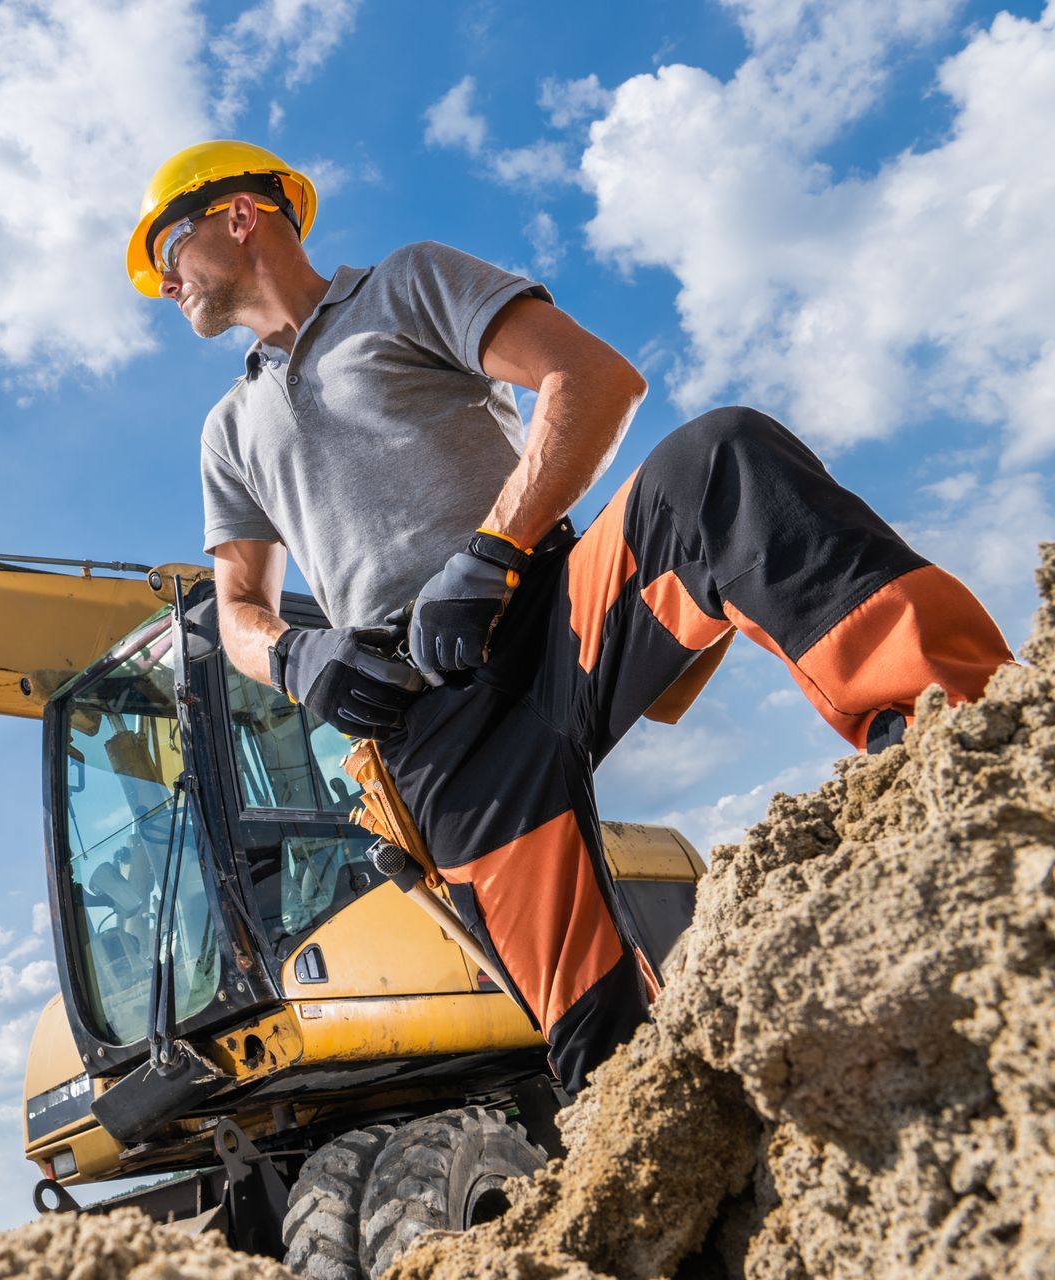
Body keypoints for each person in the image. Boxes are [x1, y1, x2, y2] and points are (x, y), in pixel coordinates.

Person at [127, 140, 1014, 1093]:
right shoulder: (228, 432)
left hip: (547, 602)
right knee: (599, 1048)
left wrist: (494, 550)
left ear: (239, 214)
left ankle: (973, 749)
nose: (164, 281)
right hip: (429, 720)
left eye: (166, 249)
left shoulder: (406, 285)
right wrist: (299, 659)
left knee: (721, 463)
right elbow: (239, 611)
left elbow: (593, 379)